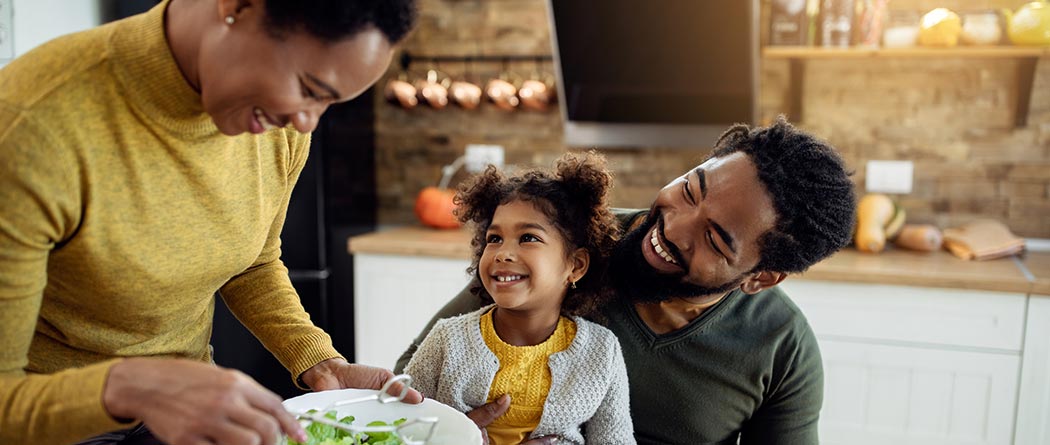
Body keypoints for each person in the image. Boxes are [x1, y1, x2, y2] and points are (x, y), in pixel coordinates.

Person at [0, 1, 420, 444]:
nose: (306, 121)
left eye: (328, 102)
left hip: (187, 404)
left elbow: (253, 261)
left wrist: (319, 361)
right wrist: (133, 386)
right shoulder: (31, 127)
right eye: (308, 88)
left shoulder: (284, 128)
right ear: (237, 7)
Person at [396, 117, 858, 445]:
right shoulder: (565, 245)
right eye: (691, 190)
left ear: (760, 278)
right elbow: (414, 377)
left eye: (714, 239)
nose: (673, 228)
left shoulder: (782, 347)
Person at [404, 152, 635, 445]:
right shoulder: (446, 341)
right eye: (494, 238)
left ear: (575, 266)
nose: (502, 253)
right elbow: (400, 427)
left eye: (528, 238)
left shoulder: (602, 351)